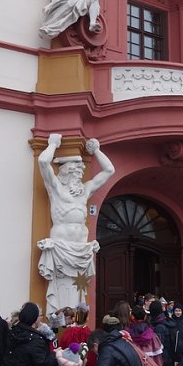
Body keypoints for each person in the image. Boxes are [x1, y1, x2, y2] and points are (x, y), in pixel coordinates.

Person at [37, 133, 115, 313]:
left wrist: (96, 151)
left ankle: (76, 325)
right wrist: (53, 144)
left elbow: (109, 170)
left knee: (79, 290)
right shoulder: (56, 188)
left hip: (81, 250)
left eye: (80, 173)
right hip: (61, 249)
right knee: (60, 288)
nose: (78, 176)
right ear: (65, 173)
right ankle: (60, 322)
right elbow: (42, 162)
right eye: (74, 172)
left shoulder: (85, 190)